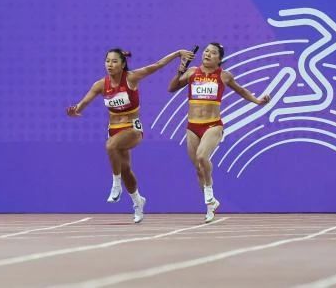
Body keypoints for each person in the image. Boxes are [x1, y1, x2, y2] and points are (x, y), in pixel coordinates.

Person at [66, 48, 195, 223]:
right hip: (114, 129)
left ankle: (116, 185)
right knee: (126, 170)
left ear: (122, 64)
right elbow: (84, 102)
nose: (110, 65)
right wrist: (75, 110)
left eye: (114, 61)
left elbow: (157, 65)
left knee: (110, 145)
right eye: (107, 61)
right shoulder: (100, 85)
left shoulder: (131, 78)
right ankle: (138, 201)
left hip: (132, 128)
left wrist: (177, 53)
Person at [167, 43, 271, 223]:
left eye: (213, 53)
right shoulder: (191, 72)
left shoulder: (224, 75)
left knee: (202, 157)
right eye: (206, 51)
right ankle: (211, 205)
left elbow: (241, 90)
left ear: (219, 59)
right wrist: (179, 72)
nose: (207, 54)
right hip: (192, 126)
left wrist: (257, 101)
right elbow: (172, 88)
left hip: (213, 125)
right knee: (199, 169)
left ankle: (209, 192)